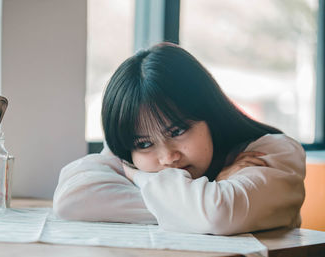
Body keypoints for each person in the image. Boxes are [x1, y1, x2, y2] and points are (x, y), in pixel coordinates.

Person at [53, 42, 305, 235]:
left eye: (177, 131)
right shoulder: (128, 156)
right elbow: (71, 199)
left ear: (210, 113)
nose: (168, 157)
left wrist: (138, 177)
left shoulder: (274, 152)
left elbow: (218, 213)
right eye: (144, 144)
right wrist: (206, 193)